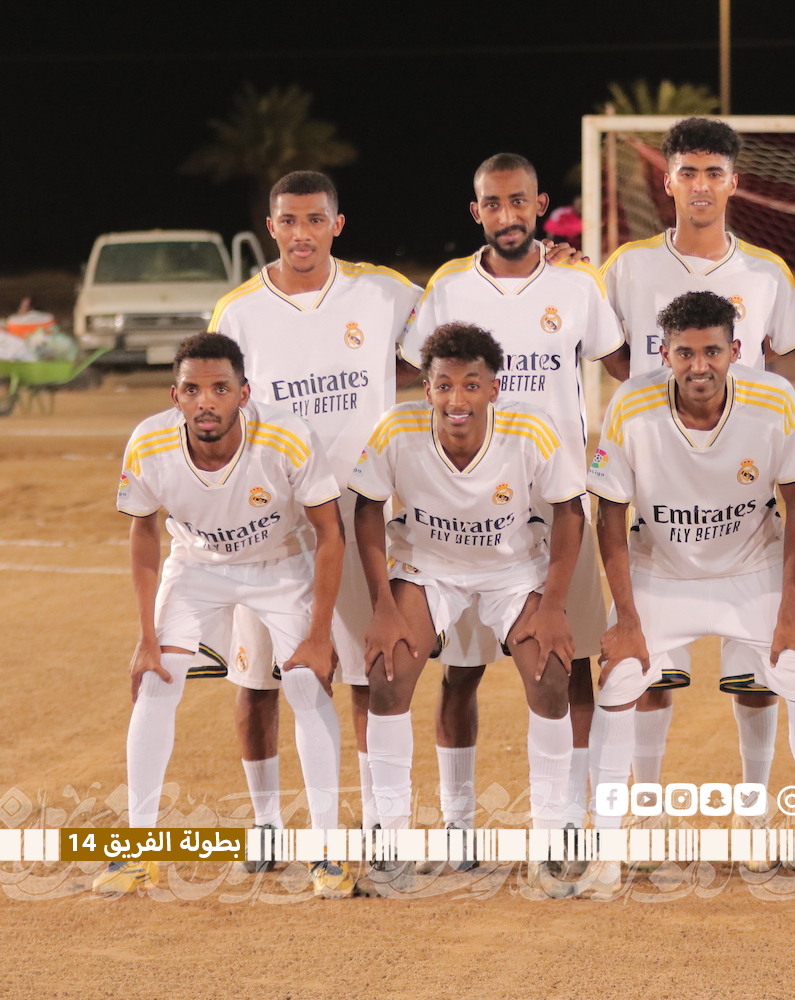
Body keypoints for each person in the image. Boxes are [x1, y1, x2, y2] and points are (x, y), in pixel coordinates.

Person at [578, 290, 795, 898]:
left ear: (735, 351)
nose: (700, 366)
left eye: (713, 352)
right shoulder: (629, 403)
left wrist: (790, 610)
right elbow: (608, 515)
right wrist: (626, 618)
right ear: (665, 354)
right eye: (685, 353)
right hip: (662, 571)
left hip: (752, 569)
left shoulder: (774, 399)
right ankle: (608, 853)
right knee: (620, 680)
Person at [600, 117, 795, 837]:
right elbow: (612, 355)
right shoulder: (629, 267)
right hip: (659, 499)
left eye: (713, 173)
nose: (700, 186)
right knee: (649, 676)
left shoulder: (765, 272)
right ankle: (645, 819)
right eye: (688, 172)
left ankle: (754, 815)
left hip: (742, 503)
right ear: (667, 180)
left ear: (734, 182)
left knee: (758, 679)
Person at [398, 153, 625, 839]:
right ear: (477, 212)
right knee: (460, 674)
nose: (507, 215)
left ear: (539, 205)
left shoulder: (576, 284)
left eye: (519, 201)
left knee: (568, 665)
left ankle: (570, 820)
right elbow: (415, 377)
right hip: (465, 514)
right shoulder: (447, 289)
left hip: (558, 509)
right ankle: (458, 825)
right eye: (493, 204)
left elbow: (624, 365)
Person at [207, 170, 420, 846]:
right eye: (289, 221)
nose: (302, 234)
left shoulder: (382, 292)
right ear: (271, 227)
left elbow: (460, 322)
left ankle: (380, 824)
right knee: (259, 681)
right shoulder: (238, 311)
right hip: (272, 524)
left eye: (315, 220)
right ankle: (267, 827)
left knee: (368, 672)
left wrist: (551, 260)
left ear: (337, 224)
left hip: (360, 515)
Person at [95, 333, 349, 897]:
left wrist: (318, 634)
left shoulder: (286, 436)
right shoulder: (149, 444)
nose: (205, 401)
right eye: (192, 390)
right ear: (175, 396)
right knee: (156, 681)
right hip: (197, 565)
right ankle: (139, 849)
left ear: (244, 393)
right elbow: (144, 534)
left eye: (219, 389)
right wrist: (146, 638)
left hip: (281, 564)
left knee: (305, 684)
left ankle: (327, 852)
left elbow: (331, 533)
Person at [350, 322, 586, 896]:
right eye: (444, 385)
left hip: (513, 568)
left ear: (493, 388)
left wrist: (554, 605)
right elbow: (366, 509)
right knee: (387, 673)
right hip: (428, 566)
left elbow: (571, 510)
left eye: (471, 385)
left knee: (552, 673)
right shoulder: (397, 430)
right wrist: (383, 605)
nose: (457, 399)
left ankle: (550, 842)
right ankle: (391, 846)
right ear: (427, 388)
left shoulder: (531, 429)